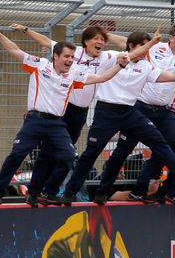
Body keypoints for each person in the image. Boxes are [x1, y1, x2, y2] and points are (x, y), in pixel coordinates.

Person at [0, 23, 128, 206]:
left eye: (71, 57)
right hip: (35, 120)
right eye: (67, 57)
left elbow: (101, 78)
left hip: (56, 124)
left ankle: (46, 192)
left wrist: (120, 66)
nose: (70, 60)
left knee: (68, 156)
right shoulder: (39, 65)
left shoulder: (74, 74)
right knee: (18, 153)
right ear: (55, 56)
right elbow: (15, 50)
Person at [58, 31, 175, 207]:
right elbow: (129, 55)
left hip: (129, 112)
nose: (146, 51)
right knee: (91, 152)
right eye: (143, 46)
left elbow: (172, 77)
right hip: (106, 111)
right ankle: (72, 192)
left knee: (157, 139)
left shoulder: (146, 66)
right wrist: (154, 42)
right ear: (132, 46)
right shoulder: (117, 57)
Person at [15, 23, 150, 205]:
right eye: (96, 38)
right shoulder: (75, 52)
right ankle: (35, 191)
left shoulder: (106, 57)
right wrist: (26, 30)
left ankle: (49, 192)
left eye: (103, 39)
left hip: (81, 113)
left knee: (66, 155)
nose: (100, 42)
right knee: (49, 153)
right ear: (86, 41)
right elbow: (46, 41)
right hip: (64, 109)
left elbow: (130, 54)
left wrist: (152, 43)